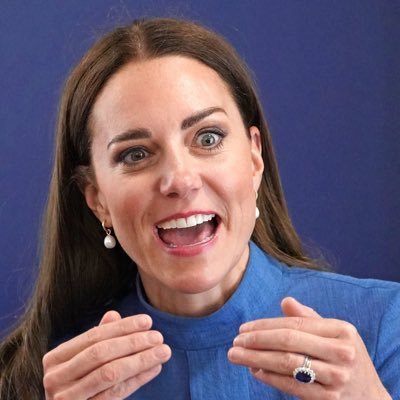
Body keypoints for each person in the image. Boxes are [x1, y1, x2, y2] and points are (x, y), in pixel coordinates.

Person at [0, 17, 398, 400]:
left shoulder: (385, 326)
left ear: (254, 158)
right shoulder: (40, 377)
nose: (180, 180)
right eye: (136, 154)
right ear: (97, 198)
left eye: (207, 138)